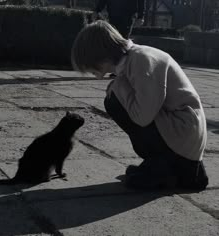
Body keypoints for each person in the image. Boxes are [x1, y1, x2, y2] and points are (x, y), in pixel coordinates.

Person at [71, 20, 209, 191]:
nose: (90, 72)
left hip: (183, 131)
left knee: (114, 100)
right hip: (182, 132)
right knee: (114, 97)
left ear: (98, 54)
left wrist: (119, 85)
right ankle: (160, 163)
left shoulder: (142, 61)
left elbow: (142, 117)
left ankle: (165, 167)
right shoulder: (133, 59)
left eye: (89, 66)